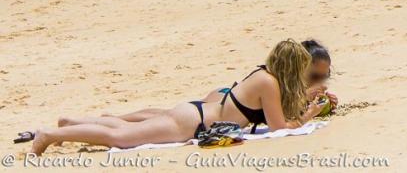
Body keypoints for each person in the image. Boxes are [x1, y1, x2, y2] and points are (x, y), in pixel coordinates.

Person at [23, 40, 323, 156]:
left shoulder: (263, 75)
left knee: (123, 131)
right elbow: (280, 126)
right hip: (192, 123)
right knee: (121, 138)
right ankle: (51, 134)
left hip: (194, 113)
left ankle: (69, 123)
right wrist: (308, 115)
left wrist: (308, 97)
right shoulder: (269, 84)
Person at [111, 39, 336, 124]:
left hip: (229, 96)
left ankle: (117, 119)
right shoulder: (282, 79)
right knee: (170, 117)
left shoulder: (282, 75)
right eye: (315, 76)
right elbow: (280, 114)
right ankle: (117, 120)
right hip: (229, 101)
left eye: (324, 77)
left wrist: (321, 102)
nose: (318, 81)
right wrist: (308, 108)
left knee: (167, 115)